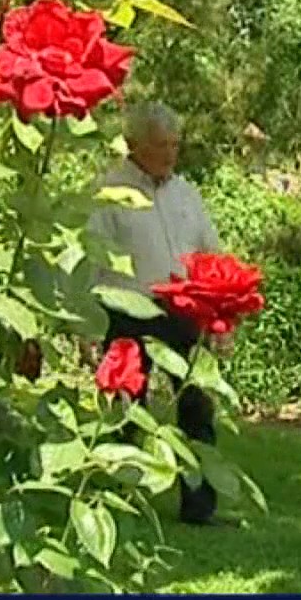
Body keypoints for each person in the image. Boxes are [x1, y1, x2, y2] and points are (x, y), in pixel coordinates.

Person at [87, 101, 229, 525]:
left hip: (186, 310)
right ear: (134, 146)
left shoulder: (186, 193)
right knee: (124, 408)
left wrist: (221, 315)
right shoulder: (110, 192)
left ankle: (200, 507)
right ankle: (116, 503)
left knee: (197, 409)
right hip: (129, 311)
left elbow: (212, 253)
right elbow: (91, 261)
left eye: (174, 144)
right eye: (160, 145)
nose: (170, 153)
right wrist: (86, 326)